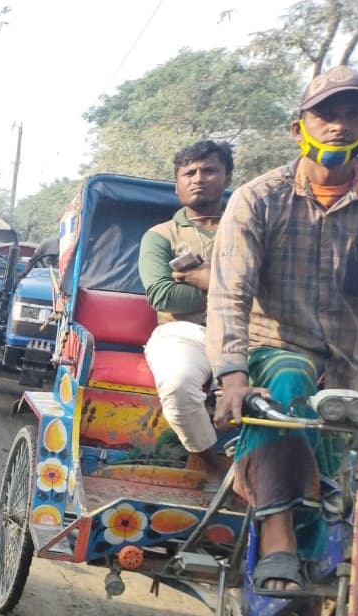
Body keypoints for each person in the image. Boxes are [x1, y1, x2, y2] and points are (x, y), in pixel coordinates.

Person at [207, 65, 358, 616]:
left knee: (338, 522)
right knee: (291, 377)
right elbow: (229, 292)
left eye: (353, 111)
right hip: (264, 364)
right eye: (325, 111)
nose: (339, 123)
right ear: (298, 126)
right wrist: (229, 374)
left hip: (343, 378)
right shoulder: (260, 198)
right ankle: (273, 531)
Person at [138, 140, 234, 480]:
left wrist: (207, 281)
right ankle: (213, 464)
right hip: (184, 333)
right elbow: (164, 296)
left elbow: (272, 291)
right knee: (178, 385)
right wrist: (232, 290)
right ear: (177, 183)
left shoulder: (249, 229)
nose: (198, 178)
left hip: (250, 334)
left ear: (226, 177)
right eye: (188, 172)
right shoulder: (160, 236)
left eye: (209, 170)